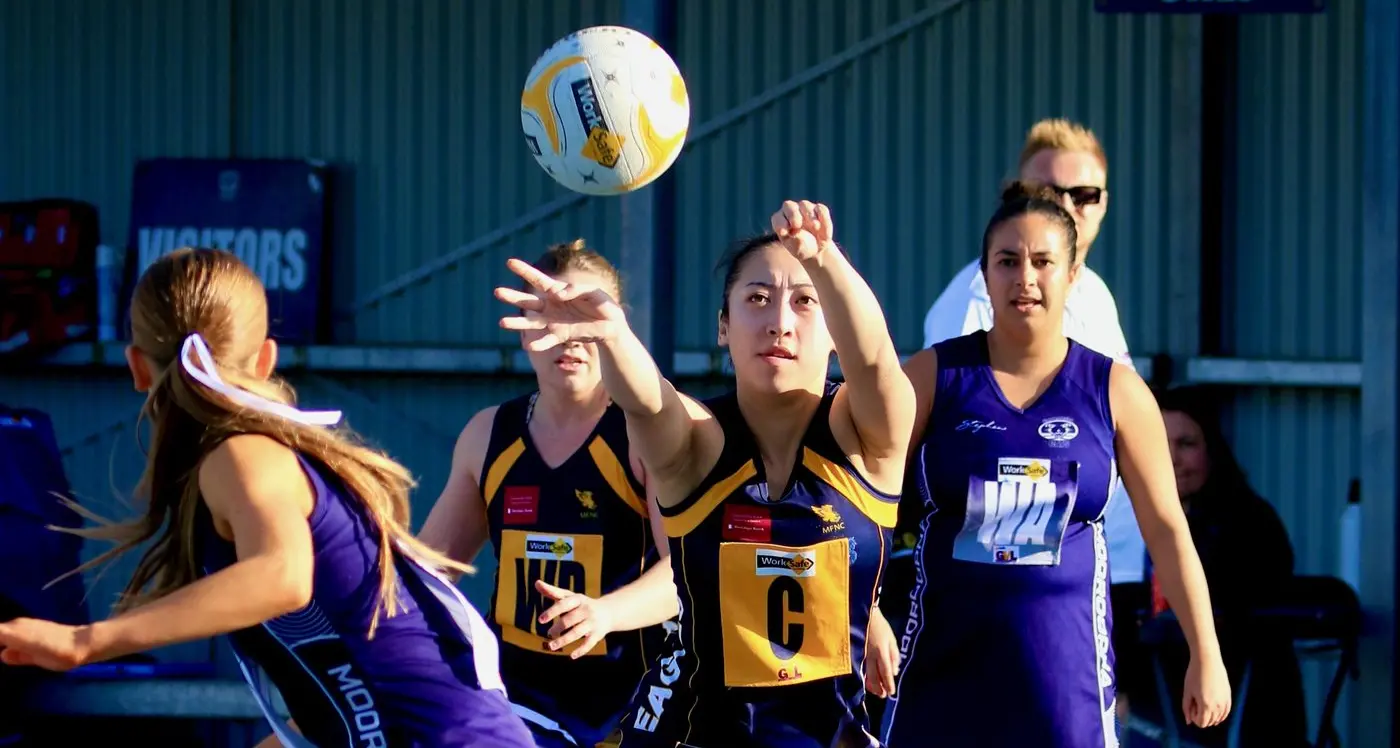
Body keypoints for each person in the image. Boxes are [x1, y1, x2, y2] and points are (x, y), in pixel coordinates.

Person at [0, 248, 534, 748]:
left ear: (137, 366)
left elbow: (282, 576)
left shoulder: (242, 456)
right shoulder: (248, 462)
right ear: (264, 360)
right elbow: (344, 670)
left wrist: (85, 643)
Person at [494, 200, 914, 748]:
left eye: (805, 302)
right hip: (696, 734)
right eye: (757, 299)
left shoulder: (867, 439)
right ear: (724, 326)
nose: (780, 322)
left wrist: (824, 259)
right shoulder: (699, 439)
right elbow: (648, 404)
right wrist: (614, 337)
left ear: (834, 327)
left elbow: (877, 359)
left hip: (833, 736)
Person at [878, 183, 1230, 747]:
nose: (1025, 278)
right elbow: (865, 499)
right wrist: (868, 612)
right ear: (984, 276)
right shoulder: (932, 375)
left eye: (1043, 262)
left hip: (1066, 674)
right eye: (1007, 261)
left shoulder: (1116, 389)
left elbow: (1166, 528)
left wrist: (1205, 652)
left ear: (1072, 276)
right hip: (942, 664)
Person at [419, 240, 677, 748]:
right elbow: (429, 573)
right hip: (514, 700)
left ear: (615, 323)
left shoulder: (643, 433)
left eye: (585, 315)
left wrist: (605, 613)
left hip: (626, 703)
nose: (571, 336)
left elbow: (682, 575)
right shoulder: (488, 434)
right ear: (524, 323)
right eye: (553, 315)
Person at [916, 117, 1147, 591]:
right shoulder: (979, 298)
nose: (1067, 206)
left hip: (1109, 558)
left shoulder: (1097, 293)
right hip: (1013, 579)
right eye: (1048, 191)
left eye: (1085, 195)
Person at [1123, 385, 1305, 746]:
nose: (1172, 458)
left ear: (1213, 451)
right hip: (1152, 712)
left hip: (1238, 709)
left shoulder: (1251, 522)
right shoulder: (1123, 519)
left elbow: (1245, 615)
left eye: (1186, 444)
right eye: (1161, 444)